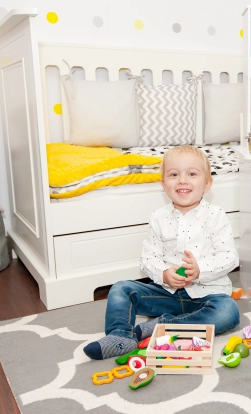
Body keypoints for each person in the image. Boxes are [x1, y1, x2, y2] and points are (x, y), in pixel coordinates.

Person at [83, 145, 240, 360]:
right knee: (121, 288)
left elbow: (229, 256)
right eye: (174, 175)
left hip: (207, 295)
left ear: (207, 184)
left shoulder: (216, 215)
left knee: (228, 312)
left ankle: (161, 326)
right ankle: (120, 336)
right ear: (164, 184)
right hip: (168, 294)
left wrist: (200, 269)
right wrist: (164, 274)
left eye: (192, 174)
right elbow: (148, 258)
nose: (183, 180)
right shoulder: (158, 217)